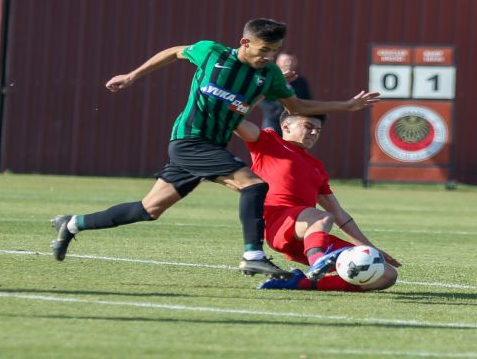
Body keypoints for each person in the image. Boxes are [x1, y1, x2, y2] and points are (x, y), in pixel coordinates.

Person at [49, 18, 380, 280]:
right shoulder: (212, 53)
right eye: (263, 49)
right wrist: (133, 75)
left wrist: (346, 105)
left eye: (273, 51)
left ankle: (73, 223)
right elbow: (175, 51)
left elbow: (296, 103)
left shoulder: (268, 76)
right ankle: (253, 256)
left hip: (209, 148)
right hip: (188, 142)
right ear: (244, 42)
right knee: (254, 185)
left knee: (148, 210)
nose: (267, 57)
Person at [234, 112, 402, 291]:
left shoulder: (316, 167)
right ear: (285, 126)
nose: (314, 133)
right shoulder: (268, 141)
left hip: (311, 236)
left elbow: (339, 214)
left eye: (318, 130)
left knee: (386, 275)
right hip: (280, 224)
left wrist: (370, 249)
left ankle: (302, 282)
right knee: (321, 217)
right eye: (308, 126)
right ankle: (317, 262)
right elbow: (235, 123)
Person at [258, 51, 312, 136]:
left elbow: (307, 100)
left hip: (294, 122)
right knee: (270, 143)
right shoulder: (269, 79)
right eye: (285, 61)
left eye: (291, 61)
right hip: (273, 120)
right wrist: (274, 110)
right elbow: (261, 99)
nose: (288, 63)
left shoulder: (301, 82)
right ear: (278, 62)